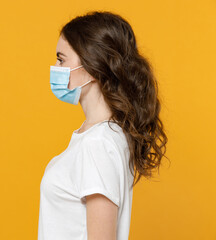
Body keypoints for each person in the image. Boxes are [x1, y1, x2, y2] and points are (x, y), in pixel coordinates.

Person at [38, 11, 168, 240]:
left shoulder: (98, 144)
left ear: (91, 65)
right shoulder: (103, 136)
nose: (55, 67)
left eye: (61, 59)